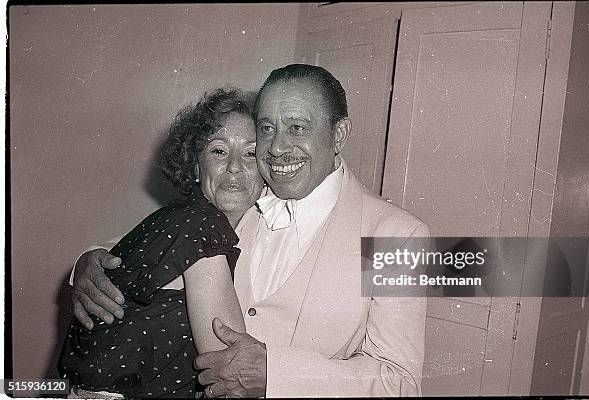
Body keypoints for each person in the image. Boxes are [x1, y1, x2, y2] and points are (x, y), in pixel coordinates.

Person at [71, 64, 429, 397]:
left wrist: (276, 374)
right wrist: (87, 264)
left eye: (297, 127)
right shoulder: (246, 194)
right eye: (267, 128)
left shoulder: (402, 236)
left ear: (338, 134)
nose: (276, 148)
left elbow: (400, 381)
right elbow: (169, 240)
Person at [60, 88, 264, 398]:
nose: (234, 166)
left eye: (250, 153)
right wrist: (86, 261)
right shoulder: (201, 225)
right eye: (219, 151)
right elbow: (227, 371)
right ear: (196, 167)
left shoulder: (184, 218)